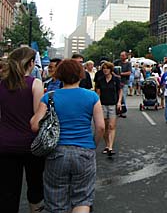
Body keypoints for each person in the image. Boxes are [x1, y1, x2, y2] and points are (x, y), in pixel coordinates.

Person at [31, 59, 105, 213]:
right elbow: (100, 127)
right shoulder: (92, 97)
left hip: (56, 152)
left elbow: (34, 125)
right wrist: (93, 144)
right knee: (83, 198)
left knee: (56, 200)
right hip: (85, 150)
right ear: (80, 75)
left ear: (59, 76)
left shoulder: (49, 97)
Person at [0, 47, 45, 213]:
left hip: (5, 144)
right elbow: (36, 118)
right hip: (31, 145)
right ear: (31, 63)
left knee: (8, 191)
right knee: (35, 188)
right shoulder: (35, 84)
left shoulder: (2, 84)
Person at [94, 61, 122, 156]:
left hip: (113, 104)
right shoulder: (100, 80)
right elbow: (98, 93)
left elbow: (120, 91)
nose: (105, 70)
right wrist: (97, 105)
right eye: (104, 68)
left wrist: (119, 102)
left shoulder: (116, 80)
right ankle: (107, 145)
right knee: (105, 127)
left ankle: (110, 147)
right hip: (103, 104)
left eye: (107, 68)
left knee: (111, 126)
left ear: (111, 69)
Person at [114, 51, 132, 118]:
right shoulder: (117, 62)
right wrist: (115, 75)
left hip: (124, 82)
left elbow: (129, 72)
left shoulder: (128, 64)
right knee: (117, 96)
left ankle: (123, 111)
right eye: (121, 55)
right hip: (117, 82)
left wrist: (120, 74)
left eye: (123, 55)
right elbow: (111, 68)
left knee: (123, 97)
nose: (121, 57)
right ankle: (118, 110)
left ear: (126, 56)